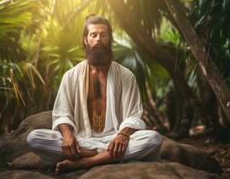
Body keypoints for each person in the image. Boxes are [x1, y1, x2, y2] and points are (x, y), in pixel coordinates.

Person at [27, 15, 163, 174]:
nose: (98, 39)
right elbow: (62, 113)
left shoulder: (125, 76)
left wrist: (122, 136)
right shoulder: (71, 76)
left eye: (103, 35)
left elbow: (134, 115)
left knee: (153, 139)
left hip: (115, 140)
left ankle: (84, 162)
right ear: (85, 40)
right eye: (94, 35)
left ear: (110, 39)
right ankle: (105, 156)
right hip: (81, 141)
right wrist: (68, 135)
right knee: (34, 138)